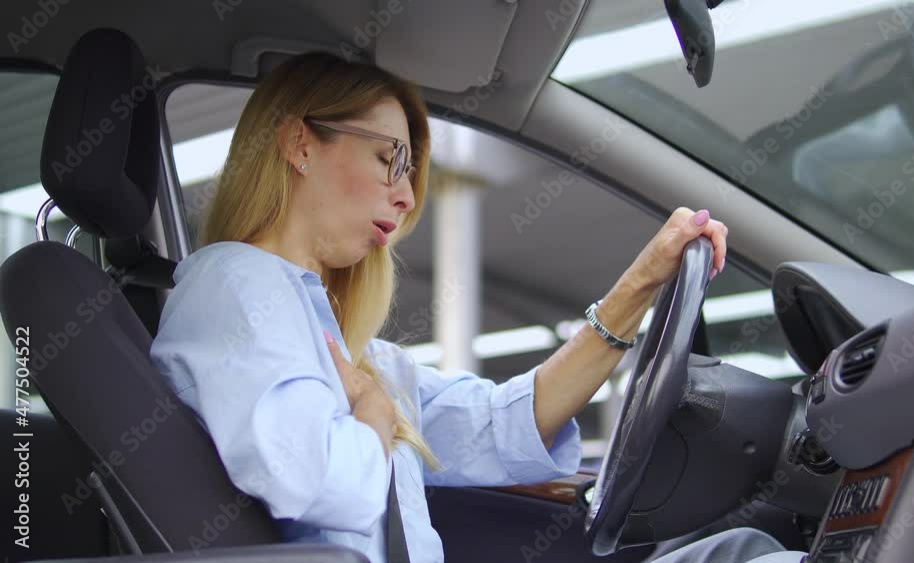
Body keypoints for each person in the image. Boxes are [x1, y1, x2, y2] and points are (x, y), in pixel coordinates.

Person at [150, 52, 803, 563]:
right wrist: (375, 418)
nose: (407, 196)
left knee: (739, 551)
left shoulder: (345, 346)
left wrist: (641, 283)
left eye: (411, 173)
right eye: (389, 159)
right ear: (298, 144)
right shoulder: (233, 286)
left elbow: (503, 423)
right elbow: (325, 482)